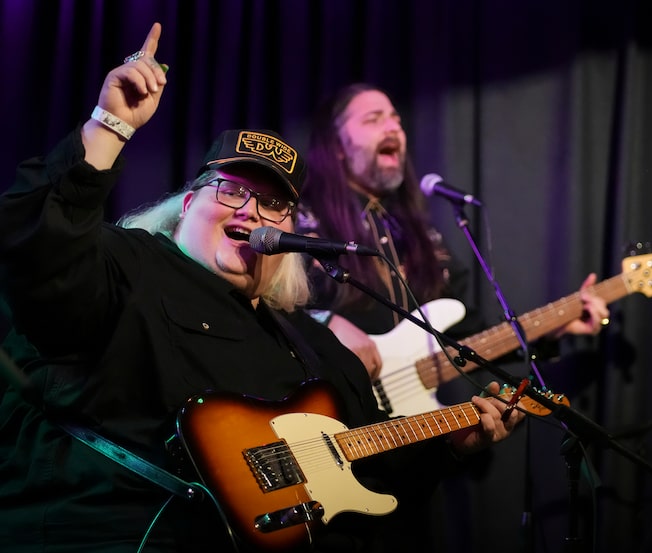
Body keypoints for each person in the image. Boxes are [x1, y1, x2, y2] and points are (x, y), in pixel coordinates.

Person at [0, 23, 525, 553]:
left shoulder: (311, 346)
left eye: (274, 204)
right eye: (232, 190)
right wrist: (108, 128)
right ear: (187, 205)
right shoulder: (126, 265)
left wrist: (451, 445)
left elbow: (369, 467)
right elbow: (38, 253)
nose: (251, 210)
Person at [295, 83, 610, 551]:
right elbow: (267, 297)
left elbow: (468, 336)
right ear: (336, 147)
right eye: (374, 118)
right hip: (330, 438)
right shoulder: (304, 219)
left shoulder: (423, 236)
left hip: (412, 451)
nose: (394, 126)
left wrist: (557, 327)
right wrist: (325, 323)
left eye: (396, 118)